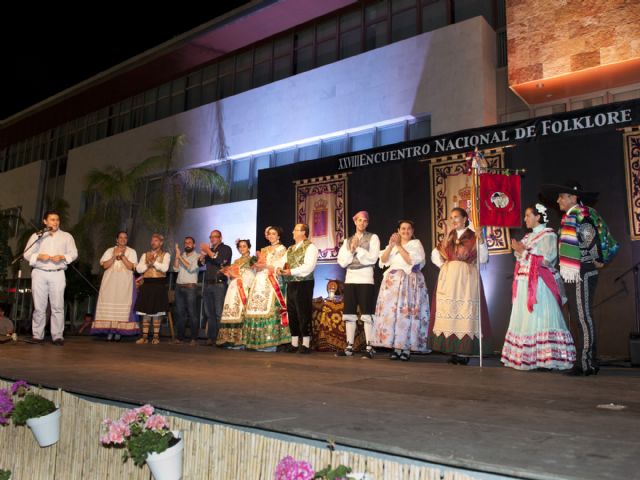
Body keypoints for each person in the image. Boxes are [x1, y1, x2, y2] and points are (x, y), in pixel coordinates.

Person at [544, 180, 615, 376]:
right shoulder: (573, 216)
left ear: (572, 197)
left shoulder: (581, 215)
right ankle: (586, 361)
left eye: (561, 196)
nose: (558, 200)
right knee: (579, 317)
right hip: (576, 271)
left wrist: (598, 259)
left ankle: (586, 363)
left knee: (583, 318)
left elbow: (590, 236)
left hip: (583, 271)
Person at [501, 204, 576, 371]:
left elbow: (548, 259)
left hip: (539, 282)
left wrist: (524, 252)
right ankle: (530, 357)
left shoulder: (548, 235)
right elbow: (522, 258)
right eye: (525, 216)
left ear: (538, 217)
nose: (525, 219)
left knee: (541, 315)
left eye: (528, 215)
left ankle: (546, 357)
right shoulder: (528, 237)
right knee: (526, 318)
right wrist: (521, 252)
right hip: (524, 282)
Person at [429, 207, 491, 364]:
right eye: (451, 217)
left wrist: (481, 240)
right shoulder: (448, 236)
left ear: (465, 219)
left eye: (456, 217)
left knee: (464, 310)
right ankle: (453, 350)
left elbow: (483, 259)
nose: (453, 220)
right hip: (449, 279)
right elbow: (435, 254)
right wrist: (445, 266)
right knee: (450, 311)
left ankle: (464, 353)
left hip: (466, 279)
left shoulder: (472, 236)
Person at [372, 220, 430, 361]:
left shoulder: (416, 244)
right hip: (392, 283)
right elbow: (383, 261)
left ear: (413, 231)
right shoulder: (393, 245)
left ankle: (406, 348)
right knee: (393, 315)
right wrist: (391, 246)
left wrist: (398, 245)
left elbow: (411, 261)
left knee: (407, 314)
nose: (405, 231)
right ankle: (396, 347)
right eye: (403, 229)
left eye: (408, 228)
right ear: (398, 230)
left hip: (409, 282)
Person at [24, 210, 78, 345]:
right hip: (39, 272)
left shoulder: (66, 236)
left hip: (58, 272)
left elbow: (74, 253)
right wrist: (38, 256)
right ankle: (37, 335)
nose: (55, 222)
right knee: (39, 307)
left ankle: (57, 336)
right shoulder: (37, 235)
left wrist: (63, 257)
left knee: (58, 306)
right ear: (45, 221)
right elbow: (26, 254)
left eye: (57, 219)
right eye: (52, 219)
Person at [336, 211, 380, 358]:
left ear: (367, 223)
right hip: (350, 278)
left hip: (366, 278)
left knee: (367, 313)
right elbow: (342, 262)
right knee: (349, 313)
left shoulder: (373, 238)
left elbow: (372, 259)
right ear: (355, 222)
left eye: (365, 221)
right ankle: (349, 346)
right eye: (359, 220)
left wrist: (358, 249)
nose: (362, 223)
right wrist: (351, 250)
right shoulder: (347, 240)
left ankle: (369, 346)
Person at [242, 226, 291, 351]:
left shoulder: (282, 249)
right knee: (255, 308)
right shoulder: (263, 249)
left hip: (272, 280)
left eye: (273, 234)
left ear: (278, 236)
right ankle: (255, 341)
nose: (271, 236)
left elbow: (279, 266)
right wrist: (257, 265)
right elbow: (258, 267)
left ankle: (270, 342)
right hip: (259, 280)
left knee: (270, 309)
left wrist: (266, 265)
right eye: (269, 234)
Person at [91, 231, 138, 341]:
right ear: (116, 239)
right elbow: (105, 265)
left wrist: (122, 256)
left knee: (122, 307)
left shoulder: (132, 251)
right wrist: (113, 256)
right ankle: (110, 331)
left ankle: (119, 332)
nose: (123, 239)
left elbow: (132, 267)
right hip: (109, 284)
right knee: (109, 307)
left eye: (125, 238)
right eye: (120, 237)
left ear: (127, 240)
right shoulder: (109, 250)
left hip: (124, 285)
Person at [279, 224, 318, 354]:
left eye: (295, 230)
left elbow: (309, 267)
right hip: (291, 283)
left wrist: (292, 271)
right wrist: (279, 269)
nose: (292, 232)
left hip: (304, 283)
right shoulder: (290, 248)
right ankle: (294, 343)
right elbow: (281, 262)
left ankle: (306, 344)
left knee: (303, 313)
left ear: (303, 232)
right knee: (292, 313)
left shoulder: (310, 247)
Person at [217, 239, 256, 348]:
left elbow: (253, 275)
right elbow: (232, 276)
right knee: (231, 310)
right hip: (233, 288)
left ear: (248, 247)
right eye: (240, 246)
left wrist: (241, 277)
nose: (242, 248)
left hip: (244, 287)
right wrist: (228, 274)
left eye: (244, 246)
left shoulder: (253, 259)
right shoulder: (236, 261)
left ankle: (241, 339)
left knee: (240, 312)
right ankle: (229, 338)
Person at [199, 230, 233, 346]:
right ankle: (211, 337)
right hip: (208, 284)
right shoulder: (211, 251)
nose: (212, 239)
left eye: (215, 237)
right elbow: (200, 265)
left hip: (219, 284)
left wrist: (208, 251)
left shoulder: (226, 249)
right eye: (211, 237)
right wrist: (202, 256)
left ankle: (221, 338)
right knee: (210, 313)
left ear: (220, 238)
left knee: (219, 313)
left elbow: (220, 261)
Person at [135, 234, 170, 344]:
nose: (153, 242)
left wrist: (154, 262)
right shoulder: (145, 255)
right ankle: (144, 337)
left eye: (156, 241)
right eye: (152, 240)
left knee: (157, 313)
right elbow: (139, 269)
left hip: (159, 285)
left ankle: (156, 337)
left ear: (161, 243)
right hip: (147, 285)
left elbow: (165, 268)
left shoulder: (166, 255)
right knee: (145, 313)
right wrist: (147, 264)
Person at [173, 236, 200, 345]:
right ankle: (180, 338)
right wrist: (176, 256)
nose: (187, 244)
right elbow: (175, 269)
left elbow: (191, 268)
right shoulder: (182, 255)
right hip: (179, 287)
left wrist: (180, 257)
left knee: (192, 313)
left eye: (189, 243)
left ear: (194, 245)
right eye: (185, 243)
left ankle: (193, 338)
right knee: (180, 313)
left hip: (190, 288)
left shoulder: (197, 256)